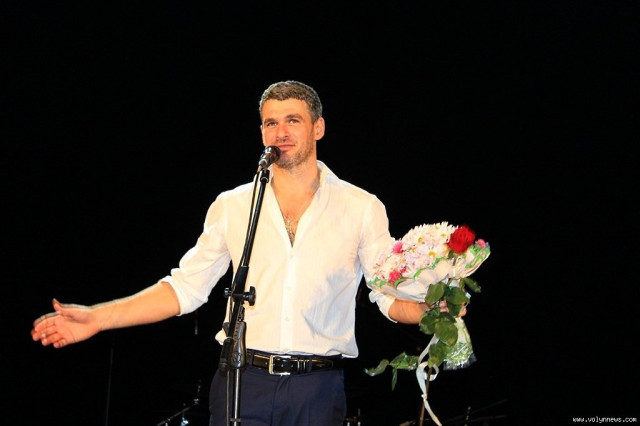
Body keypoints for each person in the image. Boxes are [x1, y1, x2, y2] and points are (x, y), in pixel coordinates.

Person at [31, 80, 457, 426]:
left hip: (316, 387)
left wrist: (430, 310)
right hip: (242, 381)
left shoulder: (361, 207)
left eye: (293, 120)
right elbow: (184, 289)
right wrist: (98, 317)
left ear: (318, 128)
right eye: (271, 123)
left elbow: (385, 293)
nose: (281, 132)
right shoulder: (233, 205)